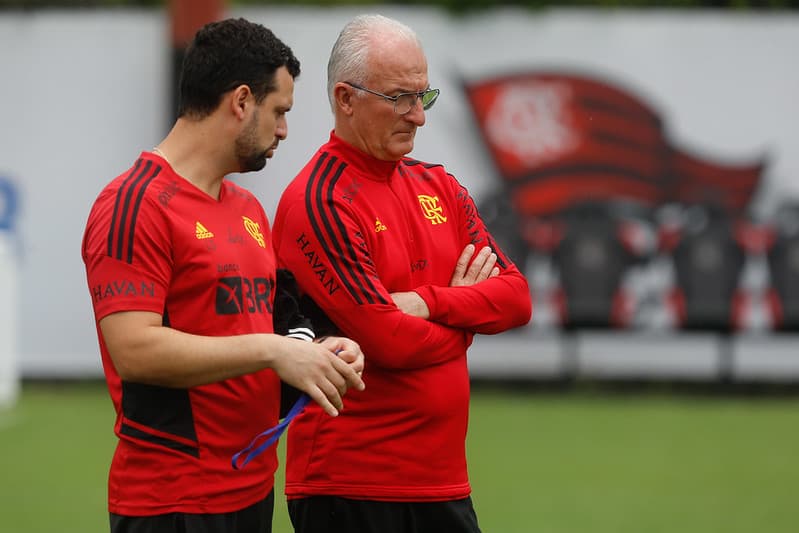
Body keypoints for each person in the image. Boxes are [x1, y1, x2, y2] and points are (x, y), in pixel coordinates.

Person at [81, 17, 365, 533]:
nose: (283, 129)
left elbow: (275, 323)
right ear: (240, 101)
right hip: (172, 503)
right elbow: (135, 350)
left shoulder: (248, 208)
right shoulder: (134, 204)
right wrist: (275, 351)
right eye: (279, 111)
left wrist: (317, 349)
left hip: (251, 491)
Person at [272, 13, 532, 533]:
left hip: (442, 484)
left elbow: (517, 299)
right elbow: (388, 340)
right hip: (353, 486)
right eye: (400, 98)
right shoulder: (319, 200)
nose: (418, 116)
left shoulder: (440, 186)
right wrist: (467, 322)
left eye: (423, 96)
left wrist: (433, 304)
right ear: (346, 99)